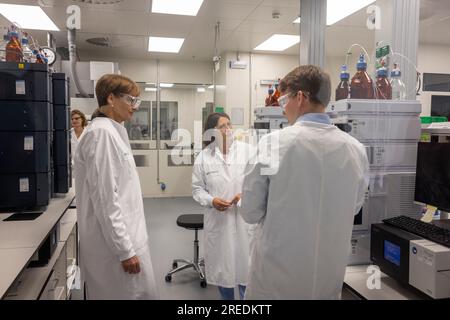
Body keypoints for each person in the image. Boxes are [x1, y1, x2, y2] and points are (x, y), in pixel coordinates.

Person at [240, 65, 370, 300]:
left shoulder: (273, 145)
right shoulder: (355, 150)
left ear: (300, 98)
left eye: (283, 102)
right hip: (326, 279)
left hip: (277, 281)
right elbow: (355, 207)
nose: (282, 110)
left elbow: (249, 212)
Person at [73, 74, 158, 300]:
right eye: (131, 100)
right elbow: (105, 199)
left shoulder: (111, 131)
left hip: (126, 238)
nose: (135, 107)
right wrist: (124, 250)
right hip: (115, 249)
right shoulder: (101, 134)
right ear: (111, 99)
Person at [192, 113, 255, 300]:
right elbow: (197, 189)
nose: (227, 129)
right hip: (219, 222)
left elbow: (259, 184)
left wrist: (244, 196)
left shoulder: (248, 151)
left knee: (247, 270)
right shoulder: (204, 157)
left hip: (245, 220)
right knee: (223, 270)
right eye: (222, 126)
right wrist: (212, 201)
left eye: (229, 124)